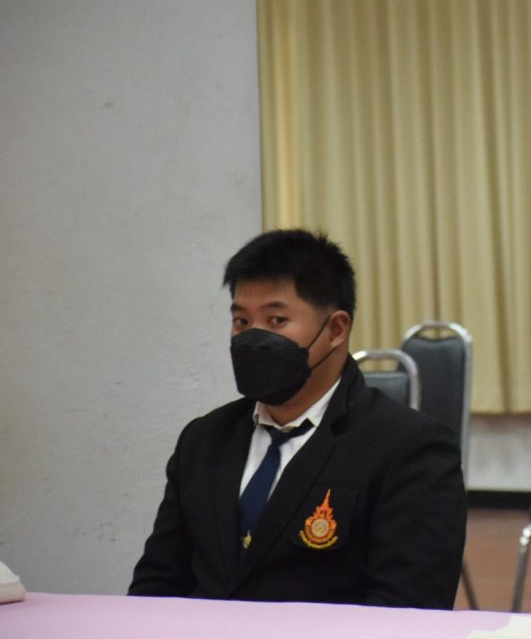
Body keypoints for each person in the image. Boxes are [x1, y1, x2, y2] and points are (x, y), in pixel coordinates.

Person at [129, 229, 467, 609]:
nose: (252, 339)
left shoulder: (408, 447)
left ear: (335, 330)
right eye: (241, 321)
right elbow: (156, 585)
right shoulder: (204, 439)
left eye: (276, 320)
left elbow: (408, 608)